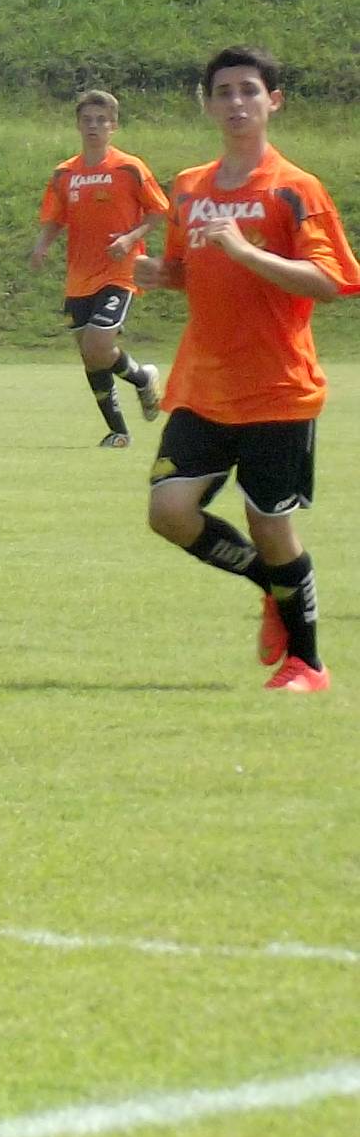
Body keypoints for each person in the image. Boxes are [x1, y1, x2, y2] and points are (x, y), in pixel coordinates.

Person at [135, 46, 357, 694]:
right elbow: (191, 270)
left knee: (270, 524)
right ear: (206, 103)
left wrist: (243, 249)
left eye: (249, 91)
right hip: (203, 386)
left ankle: (307, 665)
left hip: (278, 389)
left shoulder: (296, 188)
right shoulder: (189, 186)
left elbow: (332, 280)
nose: (236, 102)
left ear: (273, 102)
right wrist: (162, 275)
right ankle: (273, 586)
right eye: (224, 91)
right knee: (168, 512)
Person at [30, 89, 168, 446]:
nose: (94, 126)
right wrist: (42, 245)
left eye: (101, 120)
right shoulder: (65, 173)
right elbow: (55, 217)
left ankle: (136, 388)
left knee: (98, 341)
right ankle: (121, 426)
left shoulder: (129, 167)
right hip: (79, 277)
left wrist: (129, 238)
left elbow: (159, 212)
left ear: (113, 126)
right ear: (78, 125)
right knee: (91, 355)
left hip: (119, 272)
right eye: (87, 120)